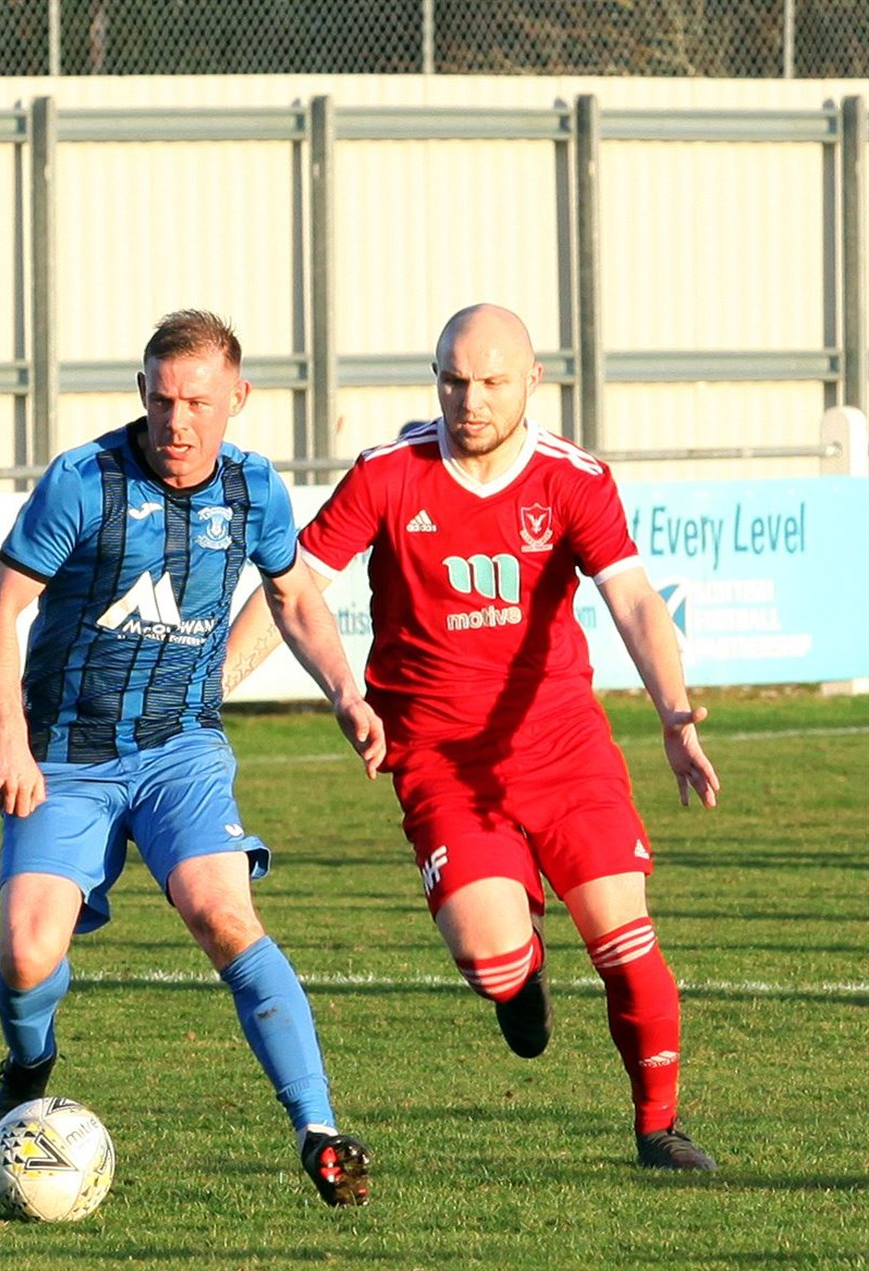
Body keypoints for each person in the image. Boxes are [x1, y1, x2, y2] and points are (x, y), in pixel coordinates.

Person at [225, 303, 721, 1172]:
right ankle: (519, 976)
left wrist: (674, 714)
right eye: (454, 380)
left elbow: (636, 602)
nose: (471, 399)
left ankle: (659, 1128)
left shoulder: (574, 480)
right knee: (492, 959)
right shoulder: (388, 474)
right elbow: (294, 589)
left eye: (492, 381)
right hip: (442, 763)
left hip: (563, 748)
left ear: (533, 381)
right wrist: (210, 689)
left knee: (623, 935)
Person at [0, 308, 384, 1207]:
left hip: (180, 751)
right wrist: (10, 734)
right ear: (142, 395)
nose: (178, 421)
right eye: (161, 400)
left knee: (221, 912)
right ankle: (29, 1059)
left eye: (197, 401)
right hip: (68, 754)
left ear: (238, 397)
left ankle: (317, 1129)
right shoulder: (83, 482)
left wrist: (346, 691)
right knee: (26, 957)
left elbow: (296, 598)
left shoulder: (254, 490)